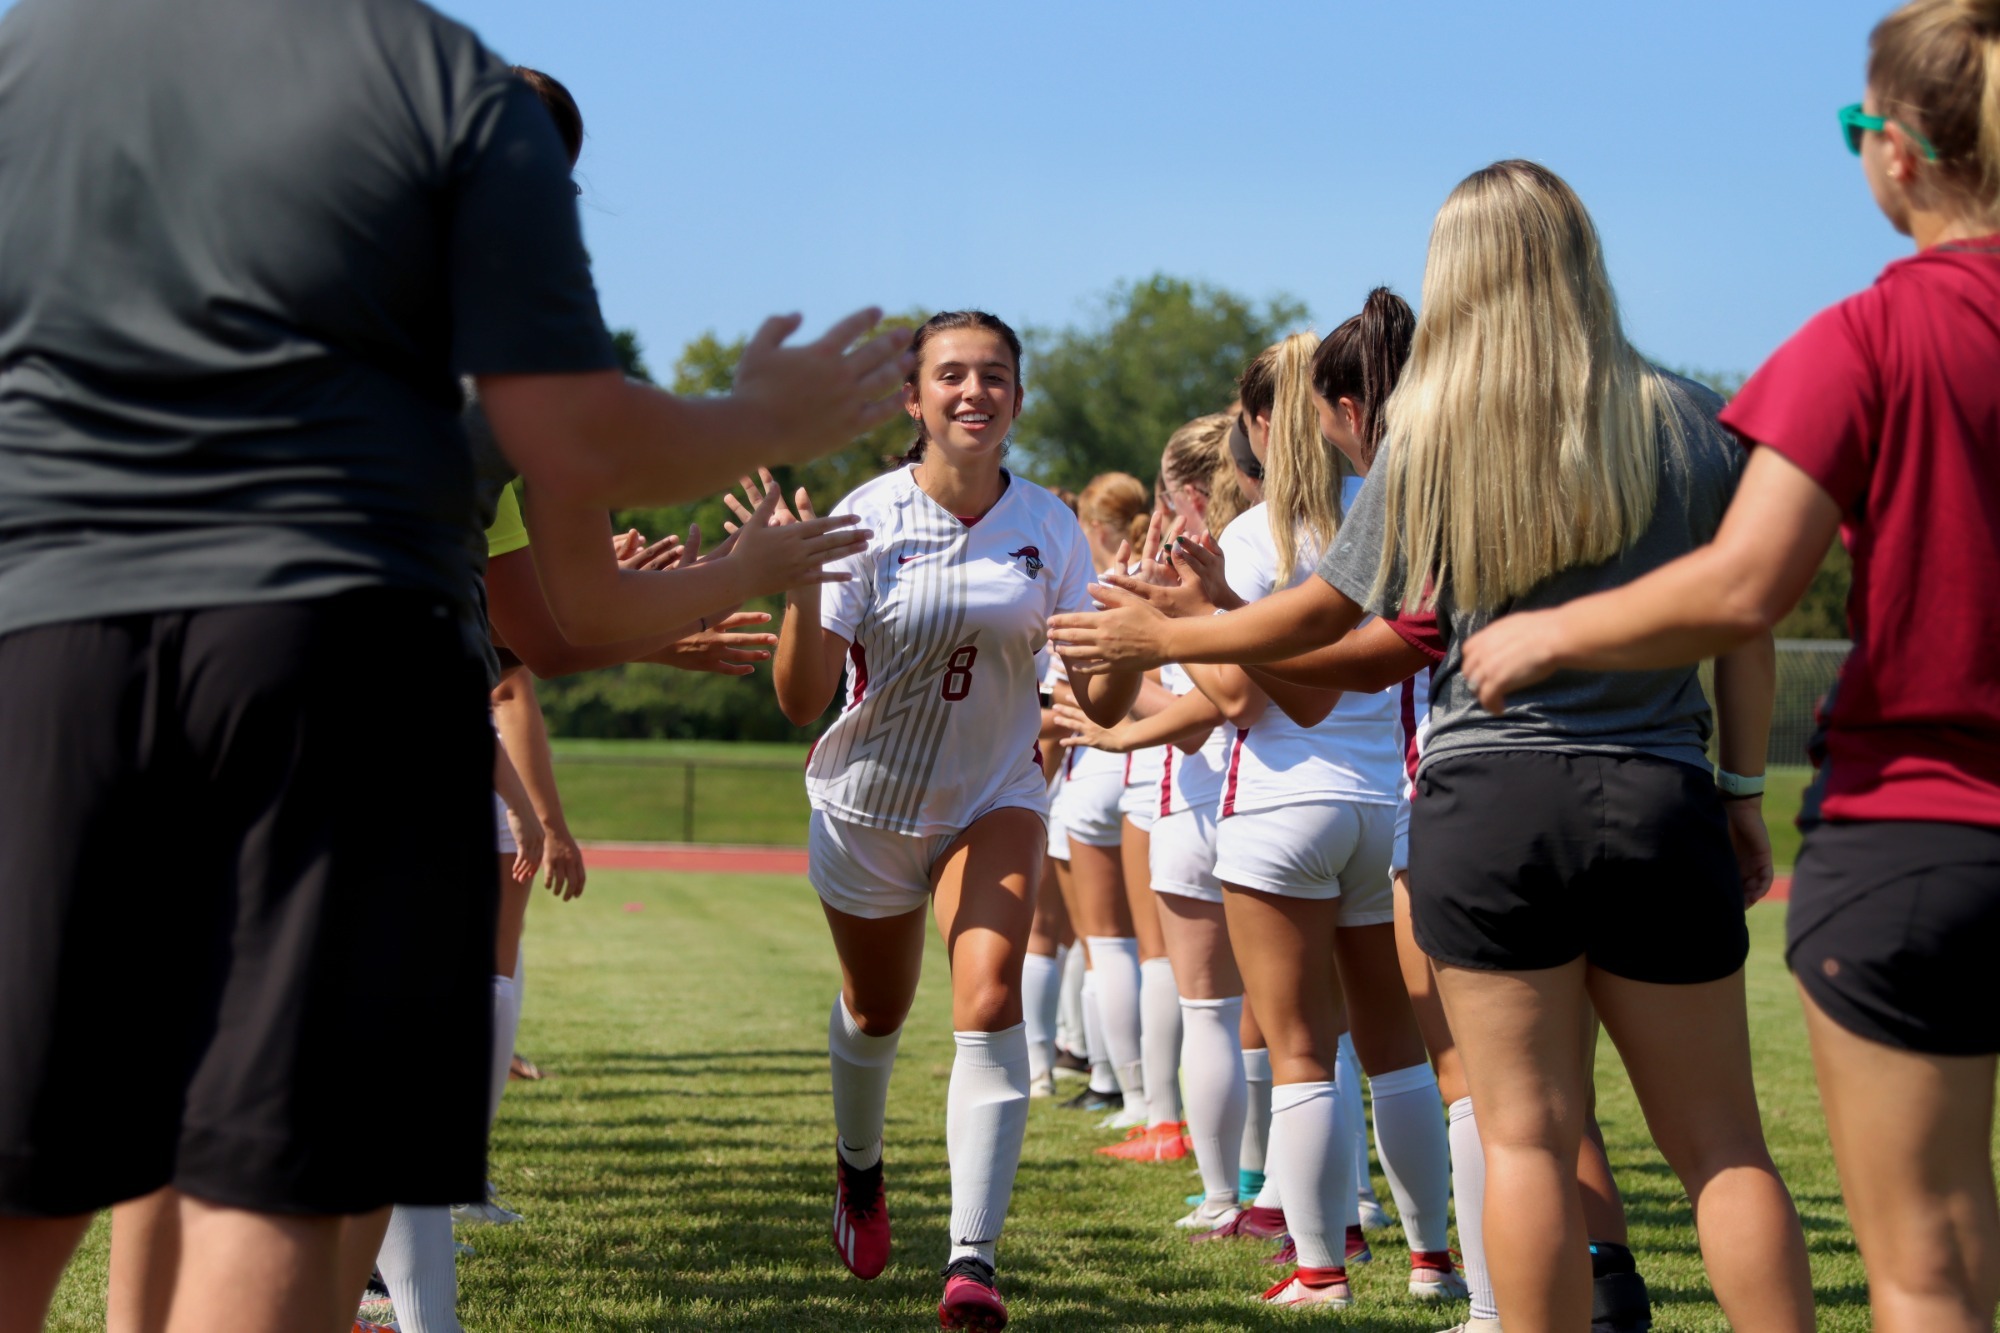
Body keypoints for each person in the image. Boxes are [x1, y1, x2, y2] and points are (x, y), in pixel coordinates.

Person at [0, 3, 907, 1328]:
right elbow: (577, 473)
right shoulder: (430, 82)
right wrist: (756, 429)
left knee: (48, 1155)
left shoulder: (41, 56)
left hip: (50, 646)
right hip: (335, 658)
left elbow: (560, 603)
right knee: (281, 1176)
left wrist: (725, 586)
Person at [1050, 160, 1818, 1333]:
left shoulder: (1432, 436)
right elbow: (1743, 623)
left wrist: (1175, 626)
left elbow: (1324, 615)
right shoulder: (1691, 416)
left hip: (1486, 801)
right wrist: (1740, 791)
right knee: (1721, 1146)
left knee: (1521, 1134)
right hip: (1656, 795)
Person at [1458, 6, 2000, 1327]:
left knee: (1934, 1268)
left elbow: (1747, 585)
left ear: (1899, 151)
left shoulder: (1862, 341)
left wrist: (1545, 632)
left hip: (1922, 835)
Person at [766, 311, 1142, 1330]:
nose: (972, 392)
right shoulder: (868, 516)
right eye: (950, 376)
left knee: (986, 998)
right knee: (875, 1010)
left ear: (1017, 397)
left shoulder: (1052, 527)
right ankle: (857, 1168)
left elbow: (1100, 708)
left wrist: (1137, 639)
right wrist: (799, 584)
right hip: (867, 808)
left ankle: (970, 1261)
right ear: (914, 398)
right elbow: (801, 698)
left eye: (993, 376)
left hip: (996, 798)